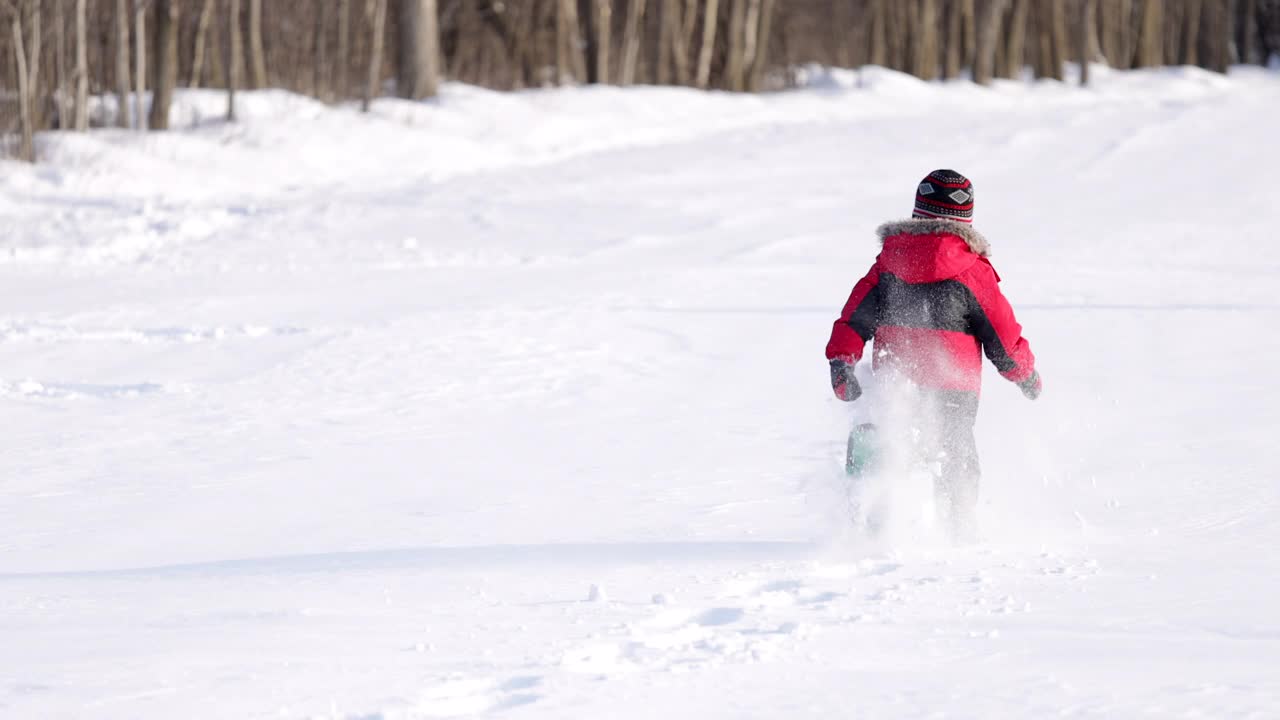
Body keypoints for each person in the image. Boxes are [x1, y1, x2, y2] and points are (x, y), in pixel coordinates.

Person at [825, 169, 1041, 542]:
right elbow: (1002, 339)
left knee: (880, 437)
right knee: (955, 455)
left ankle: (871, 523)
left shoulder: (888, 265)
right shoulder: (974, 272)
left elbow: (854, 317)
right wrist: (1025, 375)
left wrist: (842, 361)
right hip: (952, 389)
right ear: (965, 221)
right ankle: (958, 529)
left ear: (917, 214)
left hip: (895, 381)